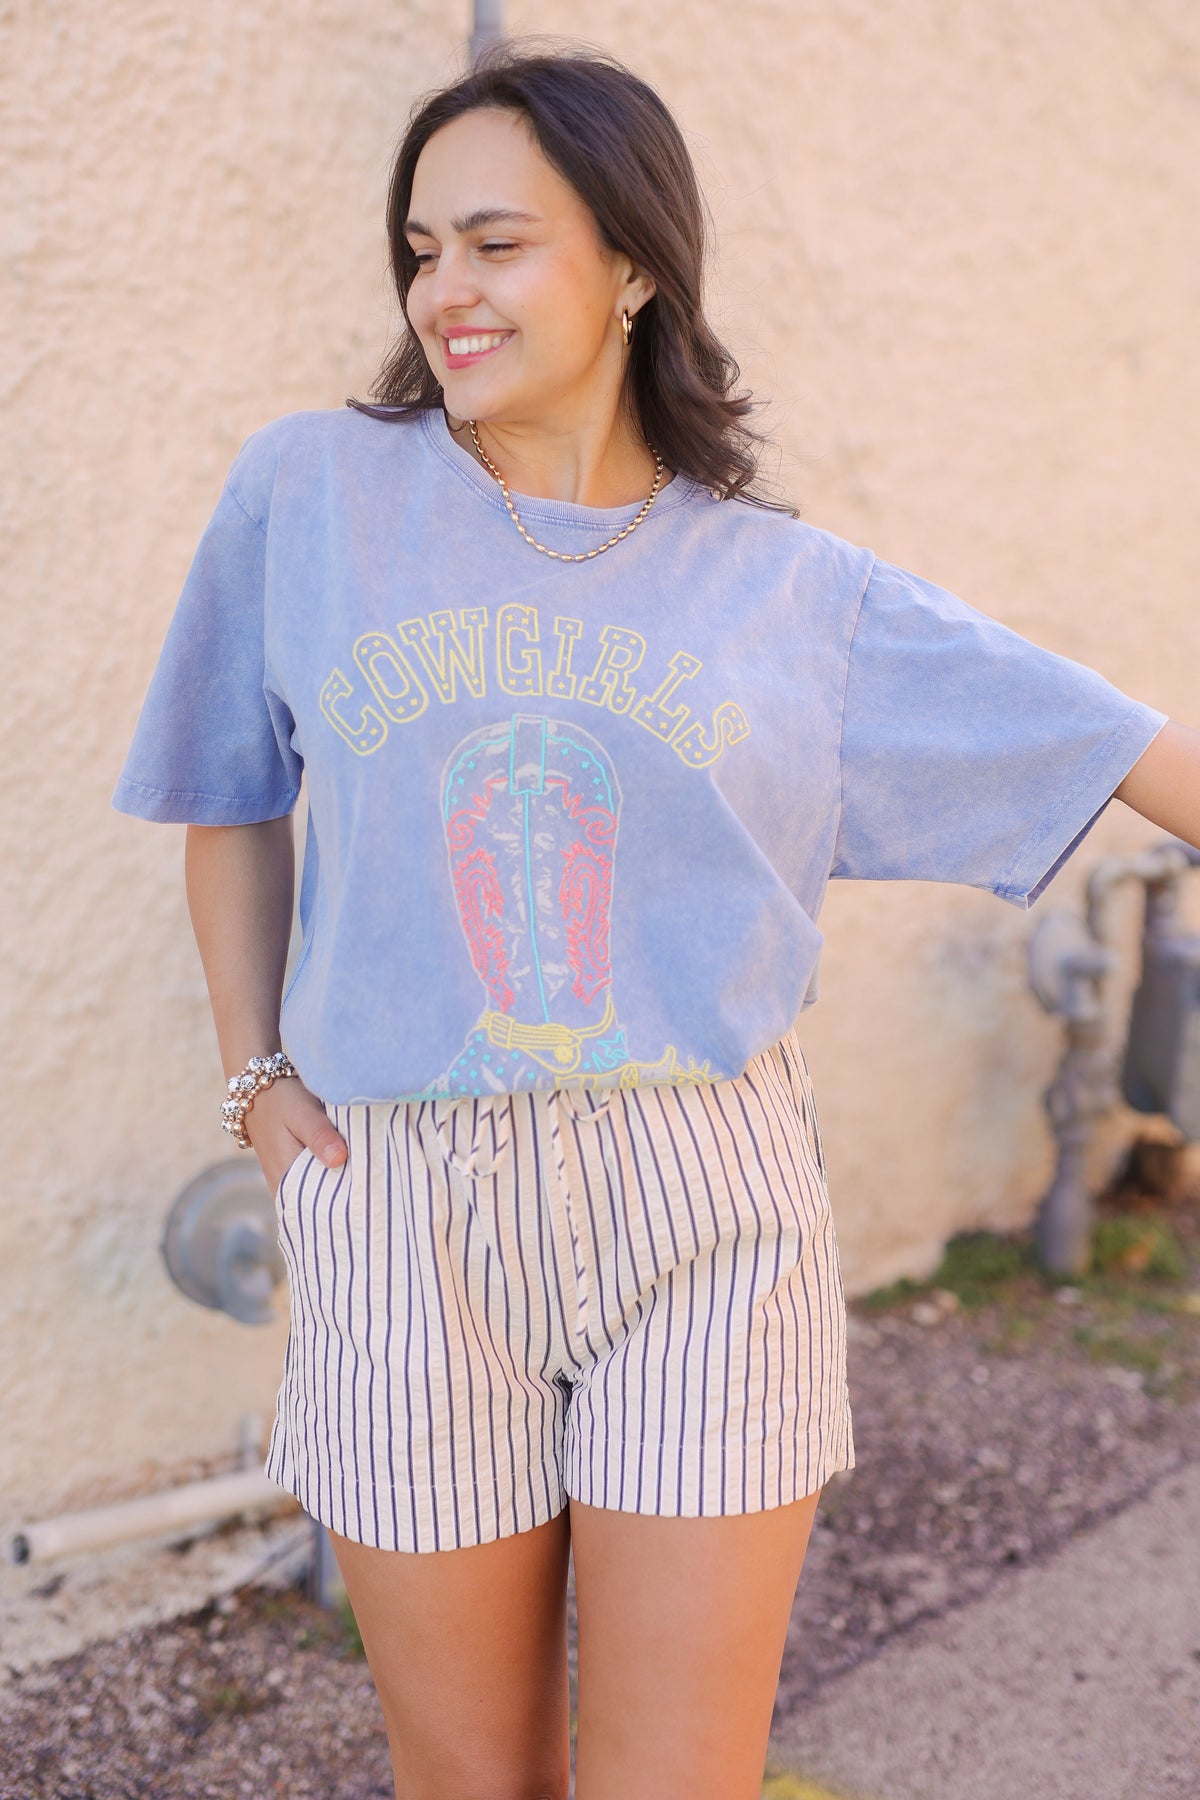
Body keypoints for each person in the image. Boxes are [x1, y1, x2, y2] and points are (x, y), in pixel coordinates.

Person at [112, 41, 1200, 1800]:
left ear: (630, 264)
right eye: (420, 249)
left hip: (702, 1209)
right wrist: (256, 1085)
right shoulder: (309, 494)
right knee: (471, 1782)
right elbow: (228, 794)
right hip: (400, 1200)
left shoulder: (785, 590)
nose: (442, 292)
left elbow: (1123, 741)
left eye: (494, 243)